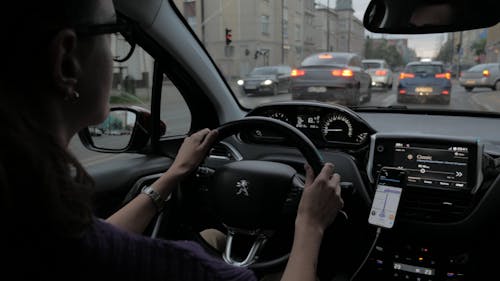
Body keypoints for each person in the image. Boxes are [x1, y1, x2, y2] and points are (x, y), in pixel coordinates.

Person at [0, 0, 344, 280]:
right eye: (114, 34)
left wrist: (173, 175)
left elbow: (101, 238)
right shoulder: (183, 269)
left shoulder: (30, 216)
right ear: (66, 60)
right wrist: (310, 225)